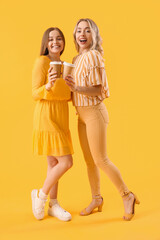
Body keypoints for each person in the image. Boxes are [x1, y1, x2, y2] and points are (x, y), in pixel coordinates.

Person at [65, 18, 140, 221]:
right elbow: (72, 89)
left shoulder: (94, 56)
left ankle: (127, 195)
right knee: (90, 162)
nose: (82, 34)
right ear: (75, 35)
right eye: (79, 30)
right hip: (80, 116)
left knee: (101, 159)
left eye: (87, 31)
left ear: (94, 35)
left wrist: (77, 88)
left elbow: (98, 89)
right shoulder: (76, 58)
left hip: (94, 113)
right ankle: (96, 198)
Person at [31, 27, 73, 221]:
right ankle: (41, 196)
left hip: (61, 117)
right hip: (46, 116)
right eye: (51, 39)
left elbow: (66, 96)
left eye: (59, 38)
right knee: (66, 162)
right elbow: (34, 92)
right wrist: (47, 86)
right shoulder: (42, 62)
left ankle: (53, 205)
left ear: (63, 42)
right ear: (45, 43)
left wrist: (72, 87)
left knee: (54, 163)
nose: (55, 42)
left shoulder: (65, 65)